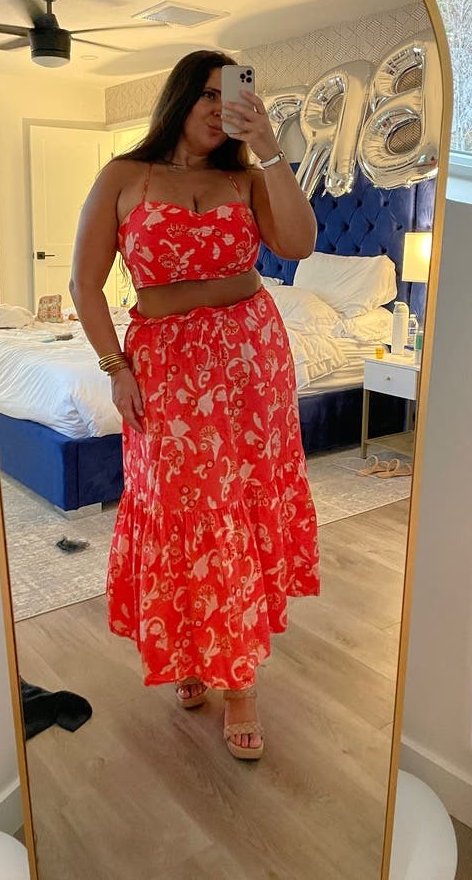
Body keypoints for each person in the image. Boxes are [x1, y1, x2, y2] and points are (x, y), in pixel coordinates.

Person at [70, 49, 320, 761]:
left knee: (236, 510)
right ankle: (189, 646)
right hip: (167, 371)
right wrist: (115, 366)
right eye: (209, 94)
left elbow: (299, 243)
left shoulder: (249, 177)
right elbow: (86, 284)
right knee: (183, 508)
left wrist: (271, 150)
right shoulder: (124, 176)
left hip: (249, 363)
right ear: (181, 97)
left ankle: (239, 686)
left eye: (232, 95)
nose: (220, 108)